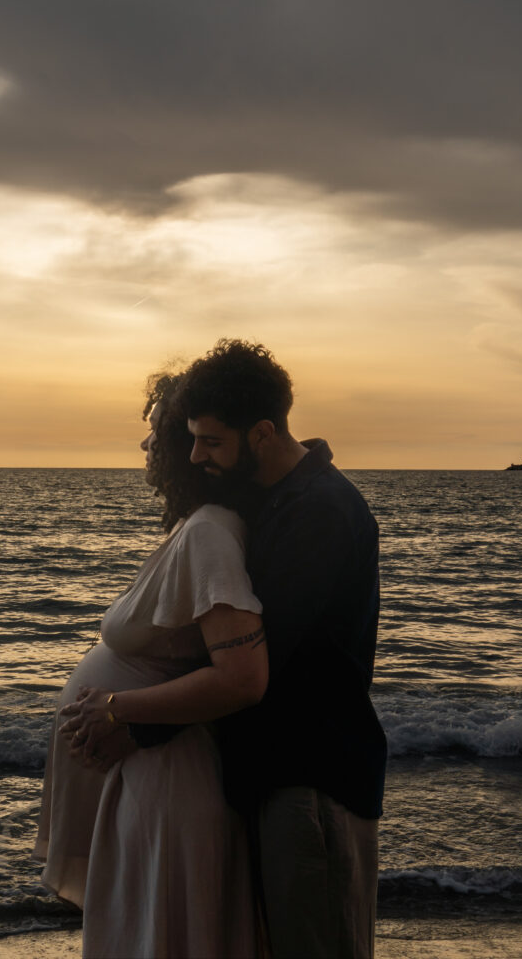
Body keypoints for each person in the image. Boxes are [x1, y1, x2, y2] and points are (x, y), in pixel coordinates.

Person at [78, 341, 387, 958]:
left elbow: (252, 669)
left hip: (311, 782)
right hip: (278, 777)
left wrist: (132, 720)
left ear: (264, 433)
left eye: (212, 442)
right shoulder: (276, 497)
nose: (197, 455)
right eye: (192, 439)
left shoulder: (318, 515)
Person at [33, 372, 267, 959]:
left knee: (158, 940)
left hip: (169, 781)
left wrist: (115, 708)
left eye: (154, 438)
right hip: (150, 772)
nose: (148, 453)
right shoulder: (199, 527)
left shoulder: (211, 532)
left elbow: (240, 676)